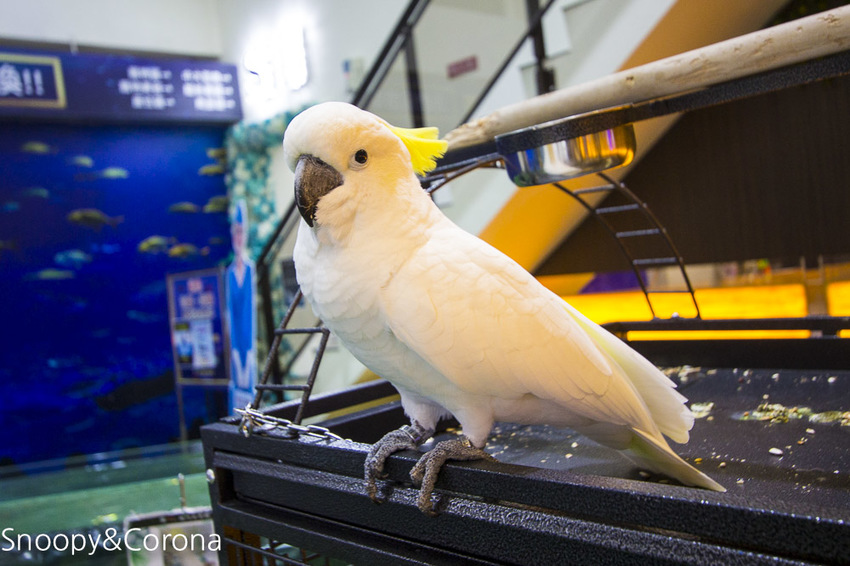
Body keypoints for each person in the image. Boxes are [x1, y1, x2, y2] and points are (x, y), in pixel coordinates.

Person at [226, 200, 257, 412]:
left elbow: (249, 314)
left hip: (249, 344)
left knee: (248, 378)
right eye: (235, 233)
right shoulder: (229, 273)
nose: (238, 238)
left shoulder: (249, 269)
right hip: (235, 343)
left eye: (241, 232)